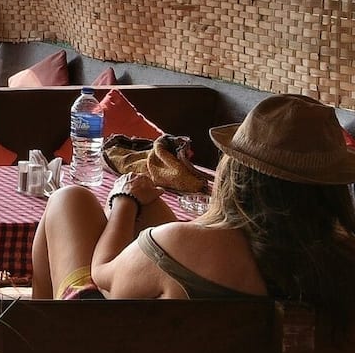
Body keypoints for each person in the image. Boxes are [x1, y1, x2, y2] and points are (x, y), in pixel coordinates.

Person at [30, 94, 355, 312]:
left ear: (237, 173)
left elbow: (104, 276)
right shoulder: (341, 259)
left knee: (68, 200)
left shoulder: (182, 244)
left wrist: (124, 201)